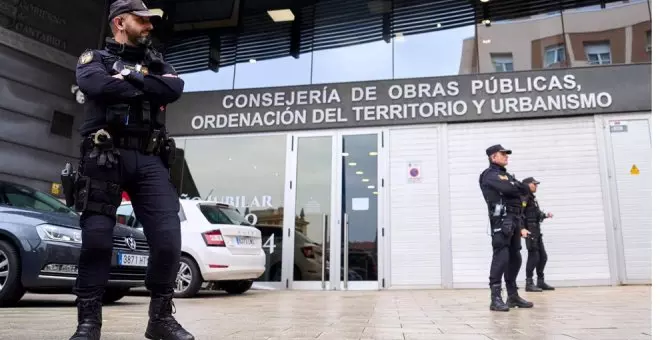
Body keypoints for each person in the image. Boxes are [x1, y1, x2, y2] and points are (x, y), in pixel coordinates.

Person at [61, 0, 193, 339]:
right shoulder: (94, 60)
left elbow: (175, 88)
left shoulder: (157, 62)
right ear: (120, 22)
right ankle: (88, 323)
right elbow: (98, 87)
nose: (149, 26)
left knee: (168, 241)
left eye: (151, 20)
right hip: (105, 156)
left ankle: (160, 320)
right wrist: (147, 84)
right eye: (142, 20)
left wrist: (132, 76)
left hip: (150, 161)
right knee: (97, 242)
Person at [478, 144, 534, 312]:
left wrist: (516, 186)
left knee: (515, 257)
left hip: (515, 219)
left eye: (506, 154)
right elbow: (512, 188)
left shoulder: (505, 175)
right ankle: (495, 298)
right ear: (493, 157)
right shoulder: (489, 175)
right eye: (502, 154)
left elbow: (523, 188)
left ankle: (512, 296)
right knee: (501, 257)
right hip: (501, 221)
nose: (506, 157)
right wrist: (517, 186)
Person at [521, 177, 555, 292]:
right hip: (530, 231)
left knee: (543, 257)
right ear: (527, 185)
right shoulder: (524, 197)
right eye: (534, 184)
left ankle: (540, 281)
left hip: (536, 230)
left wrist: (545, 215)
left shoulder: (532, 198)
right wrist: (522, 228)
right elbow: (518, 214)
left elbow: (535, 213)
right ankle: (529, 283)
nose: (536, 186)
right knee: (533, 256)